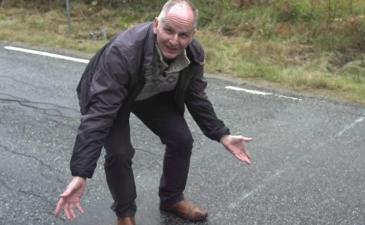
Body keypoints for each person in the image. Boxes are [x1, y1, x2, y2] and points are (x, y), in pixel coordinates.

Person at [54, 0, 252, 224]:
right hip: (111, 96)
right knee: (120, 152)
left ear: (193, 34)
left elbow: (196, 97)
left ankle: (172, 199)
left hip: (149, 92)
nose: (174, 41)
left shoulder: (193, 54)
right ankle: (125, 214)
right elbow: (99, 114)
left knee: (181, 139)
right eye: (169, 30)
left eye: (183, 35)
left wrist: (221, 134)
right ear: (156, 24)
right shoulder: (124, 52)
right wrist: (81, 172)